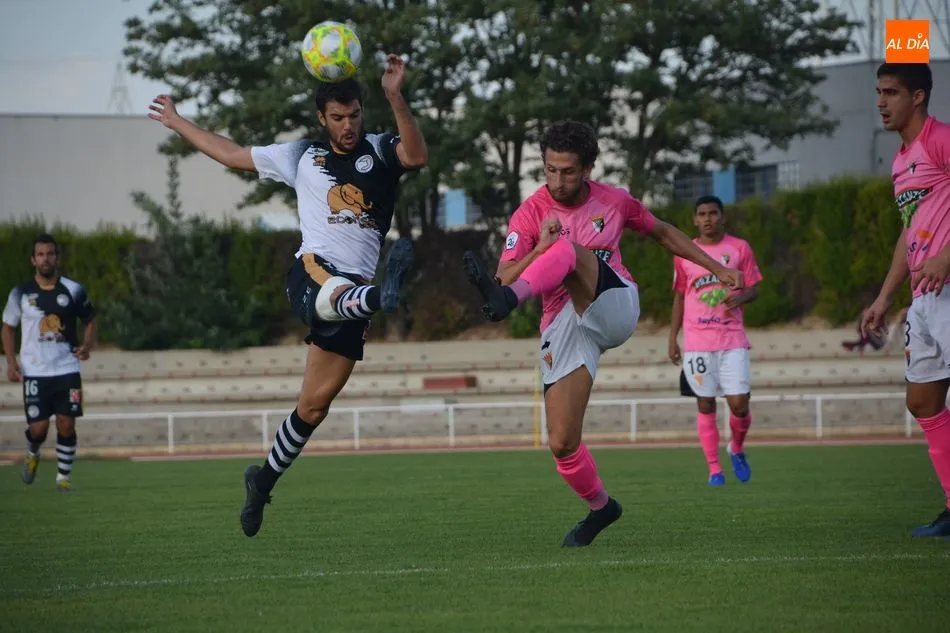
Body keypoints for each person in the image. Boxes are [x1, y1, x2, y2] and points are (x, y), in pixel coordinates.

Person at [148, 55, 428, 537]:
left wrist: (395, 96)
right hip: (313, 274)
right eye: (337, 118)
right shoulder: (302, 155)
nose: (347, 125)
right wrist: (176, 121)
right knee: (338, 290)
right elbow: (231, 154)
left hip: (351, 294)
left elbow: (417, 156)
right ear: (322, 118)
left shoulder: (380, 150)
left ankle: (261, 483)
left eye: (354, 115)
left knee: (313, 406)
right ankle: (380, 298)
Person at [462, 120, 743, 547]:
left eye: (568, 172)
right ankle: (601, 508)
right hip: (565, 322)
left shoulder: (614, 201)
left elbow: (663, 232)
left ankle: (511, 303)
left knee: (566, 251)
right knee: (562, 442)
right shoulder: (530, 212)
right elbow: (503, 276)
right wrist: (539, 250)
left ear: (588, 169)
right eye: (550, 170)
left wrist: (716, 267)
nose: (558, 181)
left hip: (614, 304)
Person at [860, 62, 950, 538]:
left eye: (891, 92)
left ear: (918, 96)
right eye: (878, 92)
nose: (880, 102)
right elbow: (909, 232)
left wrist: (946, 256)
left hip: (948, 288)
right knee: (922, 401)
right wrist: (883, 297)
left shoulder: (941, 140)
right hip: (923, 299)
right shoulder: (900, 161)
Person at [667, 195, 763, 486]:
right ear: (695, 220)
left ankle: (736, 448)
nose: (707, 218)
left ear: (723, 217)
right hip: (697, 341)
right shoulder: (685, 252)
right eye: (702, 214)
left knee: (739, 404)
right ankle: (714, 470)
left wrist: (741, 298)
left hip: (732, 338)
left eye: (713, 213)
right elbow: (680, 297)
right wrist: (672, 338)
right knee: (705, 403)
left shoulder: (739, 248)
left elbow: (754, 287)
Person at [2, 234, 97, 492]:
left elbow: (90, 320)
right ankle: (33, 452)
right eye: (41, 254)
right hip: (35, 371)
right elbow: (8, 328)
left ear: (57, 257)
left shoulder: (73, 289)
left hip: (67, 367)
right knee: (39, 429)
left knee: (67, 423)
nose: (46, 259)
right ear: (33, 260)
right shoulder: (20, 293)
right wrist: (10, 362)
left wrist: (87, 346)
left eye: (50, 254)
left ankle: (63, 477)